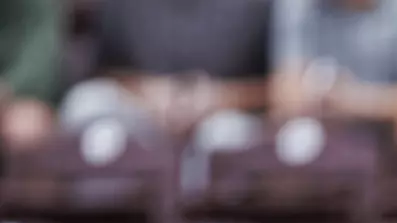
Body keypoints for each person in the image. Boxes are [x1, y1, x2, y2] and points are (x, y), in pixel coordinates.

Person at [54, 0, 272, 138]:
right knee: (86, 104)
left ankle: (219, 212)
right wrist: (145, 91)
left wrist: (221, 98)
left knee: (226, 134)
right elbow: (98, 71)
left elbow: (280, 89)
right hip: (144, 117)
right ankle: (107, 211)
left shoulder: (255, 6)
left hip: (224, 118)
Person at [270, 0, 397, 150]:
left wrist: (351, 99)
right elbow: (286, 96)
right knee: (296, 135)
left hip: (392, 131)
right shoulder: (301, 5)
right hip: (329, 129)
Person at [0, 0, 60, 148]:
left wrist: (8, 89)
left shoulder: (35, 7)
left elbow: (40, 60)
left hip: (19, 97)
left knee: (23, 126)